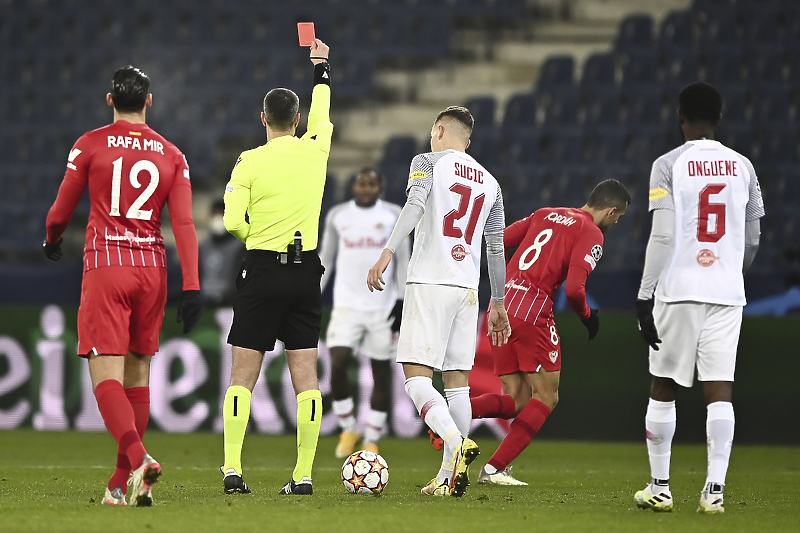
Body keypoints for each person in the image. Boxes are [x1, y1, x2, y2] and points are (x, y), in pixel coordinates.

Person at [43, 66, 202, 507]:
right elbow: (184, 224)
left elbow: (60, 212)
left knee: (105, 377)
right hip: (152, 269)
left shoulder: (89, 144)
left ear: (109, 100)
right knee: (138, 376)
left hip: (107, 265)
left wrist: (52, 239)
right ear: (149, 101)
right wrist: (191, 286)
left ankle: (138, 458)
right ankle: (119, 484)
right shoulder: (173, 155)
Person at [367, 106, 511, 498]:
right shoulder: (491, 183)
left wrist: (387, 252)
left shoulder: (427, 161)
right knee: (457, 384)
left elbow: (415, 206)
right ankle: (448, 477)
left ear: (440, 130)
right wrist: (497, 301)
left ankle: (455, 442)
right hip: (468, 291)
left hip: (430, 279)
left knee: (416, 377)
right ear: (469, 142)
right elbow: (495, 246)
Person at [634, 82, 764, 514]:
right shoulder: (744, 167)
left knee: (663, 384)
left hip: (680, 288)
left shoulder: (668, 165)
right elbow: (753, 236)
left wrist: (644, 293)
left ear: (679, 117)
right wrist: (729, 269)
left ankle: (660, 487)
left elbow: (664, 233)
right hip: (728, 291)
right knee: (720, 389)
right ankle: (714, 491)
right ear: (720, 119)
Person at [220, 39, 332, 496]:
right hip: (306, 272)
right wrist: (321, 68)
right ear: (299, 120)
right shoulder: (317, 148)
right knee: (306, 378)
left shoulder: (248, 162)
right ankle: (303, 475)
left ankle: (232, 471)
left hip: (262, 271)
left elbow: (230, 222)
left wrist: (256, 238)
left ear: (263, 119)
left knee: (242, 376)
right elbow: (323, 112)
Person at [468, 180, 630, 486]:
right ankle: (494, 469)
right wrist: (587, 317)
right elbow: (573, 289)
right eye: (618, 218)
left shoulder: (544, 213)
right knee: (547, 396)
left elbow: (497, 241)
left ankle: (451, 414)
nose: (615, 222)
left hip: (499, 308)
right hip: (532, 312)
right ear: (610, 211)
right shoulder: (591, 232)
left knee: (515, 397)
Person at [318, 168, 410, 458]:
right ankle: (348, 428)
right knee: (339, 361)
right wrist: (313, 293)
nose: (366, 189)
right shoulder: (338, 216)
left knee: (381, 373)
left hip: (382, 309)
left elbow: (403, 258)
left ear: (380, 187)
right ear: (353, 186)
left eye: (372, 184)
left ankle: (371, 438)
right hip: (346, 305)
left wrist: (401, 298)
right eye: (361, 183)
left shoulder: (394, 214)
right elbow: (326, 259)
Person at [199, 199, 246, 307]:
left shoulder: (240, 246)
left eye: (222, 214)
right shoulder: (204, 245)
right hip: (204, 304)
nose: (218, 218)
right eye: (215, 214)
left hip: (229, 305)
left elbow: (240, 279)